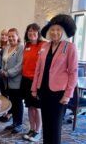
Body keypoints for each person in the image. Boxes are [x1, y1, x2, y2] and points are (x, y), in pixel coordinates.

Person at [31, 14, 78, 144]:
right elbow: (38, 70)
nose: (55, 32)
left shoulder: (70, 47)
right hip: (44, 90)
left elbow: (73, 73)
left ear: (63, 31)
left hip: (59, 93)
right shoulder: (44, 46)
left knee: (55, 126)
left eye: (58, 29)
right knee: (46, 124)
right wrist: (34, 88)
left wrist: (68, 95)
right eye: (52, 29)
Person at [21, 23, 45, 142]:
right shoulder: (27, 45)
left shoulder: (44, 45)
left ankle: (38, 131)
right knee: (30, 106)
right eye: (29, 31)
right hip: (26, 80)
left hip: (37, 81)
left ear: (38, 33)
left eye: (34, 31)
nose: (31, 33)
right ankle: (31, 128)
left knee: (37, 107)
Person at [1, 28, 24, 134]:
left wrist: (8, 73)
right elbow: (3, 62)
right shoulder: (7, 47)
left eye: (12, 36)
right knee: (12, 102)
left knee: (18, 103)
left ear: (17, 36)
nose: (10, 38)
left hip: (16, 80)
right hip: (6, 81)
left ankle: (19, 124)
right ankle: (14, 122)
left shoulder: (21, 48)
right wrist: (2, 71)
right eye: (9, 36)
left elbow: (20, 65)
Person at [0, 28, 12, 122]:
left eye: (5, 35)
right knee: (3, 95)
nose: (4, 36)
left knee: (9, 95)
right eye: (2, 34)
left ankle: (9, 113)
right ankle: (5, 112)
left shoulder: (10, 47)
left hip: (7, 74)